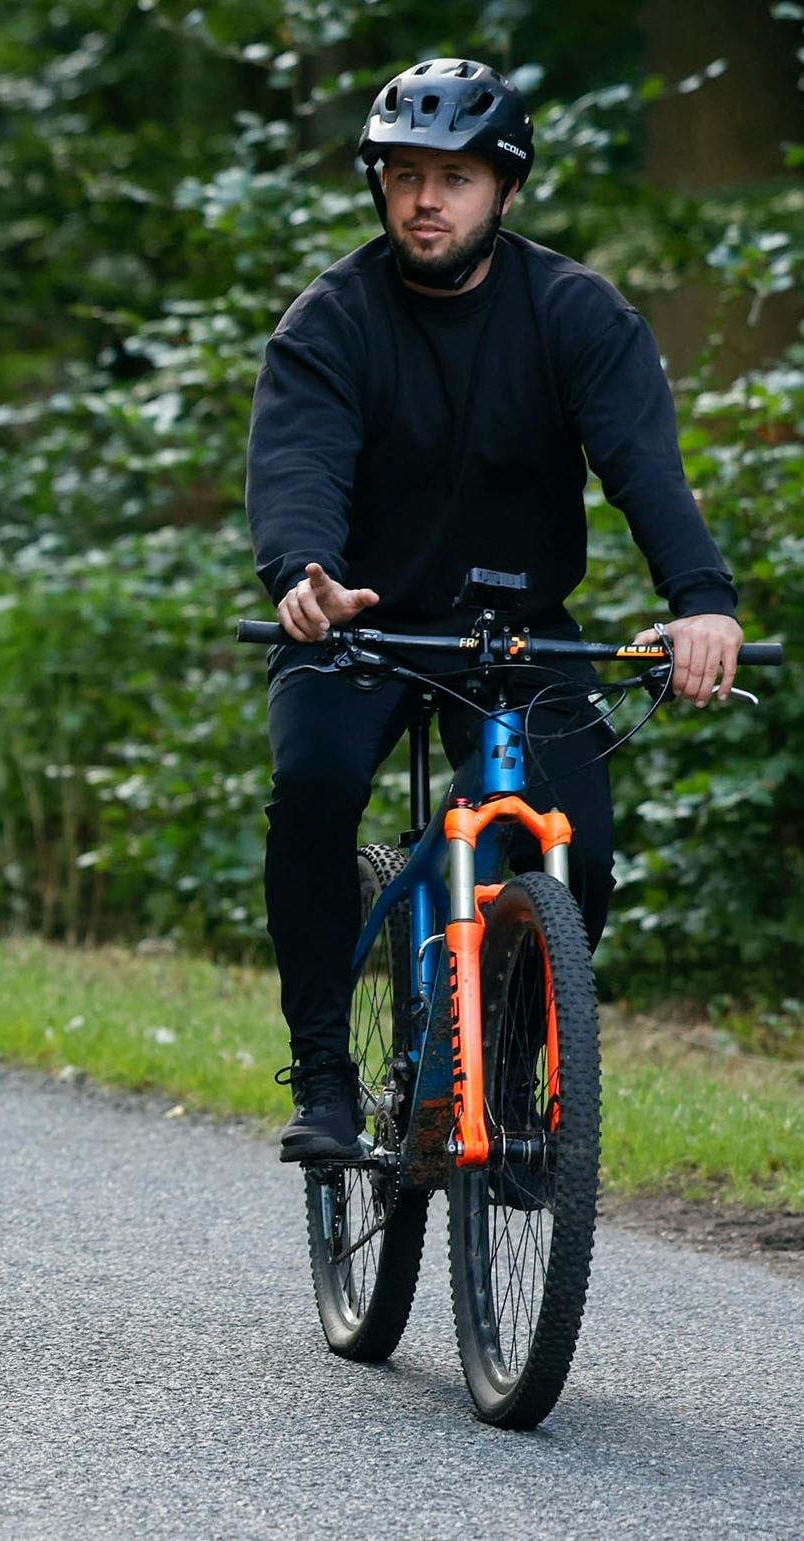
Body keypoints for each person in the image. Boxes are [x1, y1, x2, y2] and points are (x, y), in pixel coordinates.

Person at [244, 57, 741, 1162]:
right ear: (379, 186)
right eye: (405, 175)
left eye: (455, 178)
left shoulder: (573, 314)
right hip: (360, 625)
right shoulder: (329, 321)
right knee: (312, 786)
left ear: (503, 191)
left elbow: (644, 469)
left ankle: (506, 1073)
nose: (426, 200)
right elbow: (297, 468)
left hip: (518, 633)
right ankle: (322, 1073)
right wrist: (300, 573)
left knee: (578, 850)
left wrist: (699, 602)